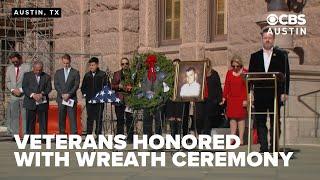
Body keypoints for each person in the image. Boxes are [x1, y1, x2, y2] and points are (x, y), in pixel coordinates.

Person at [249, 28, 290, 152]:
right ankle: (264, 147)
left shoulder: (282, 55)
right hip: (260, 92)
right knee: (260, 121)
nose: (267, 40)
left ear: (273, 39)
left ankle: (274, 147)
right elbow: (250, 76)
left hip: (275, 93)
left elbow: (286, 75)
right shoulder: (255, 56)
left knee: (275, 121)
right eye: (265, 38)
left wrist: (285, 92)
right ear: (262, 39)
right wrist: (249, 92)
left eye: (270, 38)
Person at [222, 55, 248, 145]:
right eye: (233, 66)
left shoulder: (245, 73)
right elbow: (226, 86)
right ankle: (232, 137)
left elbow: (247, 87)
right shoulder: (229, 73)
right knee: (232, 118)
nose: (235, 68)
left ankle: (241, 138)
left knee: (241, 118)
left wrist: (246, 100)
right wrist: (224, 97)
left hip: (241, 99)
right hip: (232, 99)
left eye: (237, 66)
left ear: (241, 65)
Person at [81, 57, 109, 136]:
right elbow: (83, 87)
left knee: (98, 118)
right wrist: (85, 94)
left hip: (99, 101)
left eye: (93, 65)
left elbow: (107, 86)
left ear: (97, 65)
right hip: (89, 100)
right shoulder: (87, 75)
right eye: (90, 65)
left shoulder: (102, 75)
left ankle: (98, 135)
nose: (91, 67)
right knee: (89, 118)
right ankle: (89, 135)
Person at [22, 60, 52, 135]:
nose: (38, 72)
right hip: (30, 102)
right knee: (30, 122)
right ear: (33, 68)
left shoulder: (46, 76)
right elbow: (25, 87)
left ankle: (43, 138)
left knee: (43, 121)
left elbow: (49, 88)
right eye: (36, 70)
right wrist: (33, 95)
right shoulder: (27, 75)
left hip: (42, 102)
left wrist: (42, 94)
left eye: (40, 70)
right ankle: (29, 138)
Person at [5, 52, 31, 138]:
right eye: (13, 62)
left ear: (20, 59)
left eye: (16, 61)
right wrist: (12, 90)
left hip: (24, 96)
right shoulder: (9, 69)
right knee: (14, 117)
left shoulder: (27, 67)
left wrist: (21, 90)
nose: (15, 63)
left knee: (24, 117)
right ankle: (15, 135)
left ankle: (24, 136)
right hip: (13, 96)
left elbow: (30, 81)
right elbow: (7, 81)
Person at [193, 59, 223, 135]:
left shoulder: (214, 74)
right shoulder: (198, 74)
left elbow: (218, 87)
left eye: (207, 66)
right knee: (199, 118)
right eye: (204, 65)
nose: (206, 67)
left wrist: (219, 99)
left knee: (207, 118)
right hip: (200, 99)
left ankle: (206, 135)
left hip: (211, 99)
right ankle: (200, 133)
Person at [54, 54, 80, 134]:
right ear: (62, 62)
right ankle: (62, 133)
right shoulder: (58, 72)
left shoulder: (75, 72)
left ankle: (74, 134)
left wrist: (69, 94)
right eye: (64, 63)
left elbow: (76, 85)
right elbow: (56, 84)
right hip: (61, 98)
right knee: (61, 117)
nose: (66, 65)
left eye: (67, 63)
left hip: (71, 98)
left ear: (70, 62)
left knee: (72, 117)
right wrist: (62, 94)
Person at [111, 57, 134, 143]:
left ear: (129, 64)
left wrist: (131, 88)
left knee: (129, 119)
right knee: (120, 119)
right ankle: (119, 138)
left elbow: (136, 85)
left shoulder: (132, 74)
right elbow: (112, 86)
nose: (124, 65)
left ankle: (130, 138)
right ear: (121, 65)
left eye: (126, 63)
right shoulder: (116, 73)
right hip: (119, 100)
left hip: (129, 100)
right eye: (123, 64)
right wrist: (118, 86)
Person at [166, 59, 189, 136]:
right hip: (171, 99)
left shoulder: (184, 76)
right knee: (172, 117)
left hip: (180, 99)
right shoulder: (168, 76)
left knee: (180, 118)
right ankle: (173, 136)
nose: (175, 67)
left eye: (177, 65)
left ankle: (179, 137)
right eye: (174, 65)